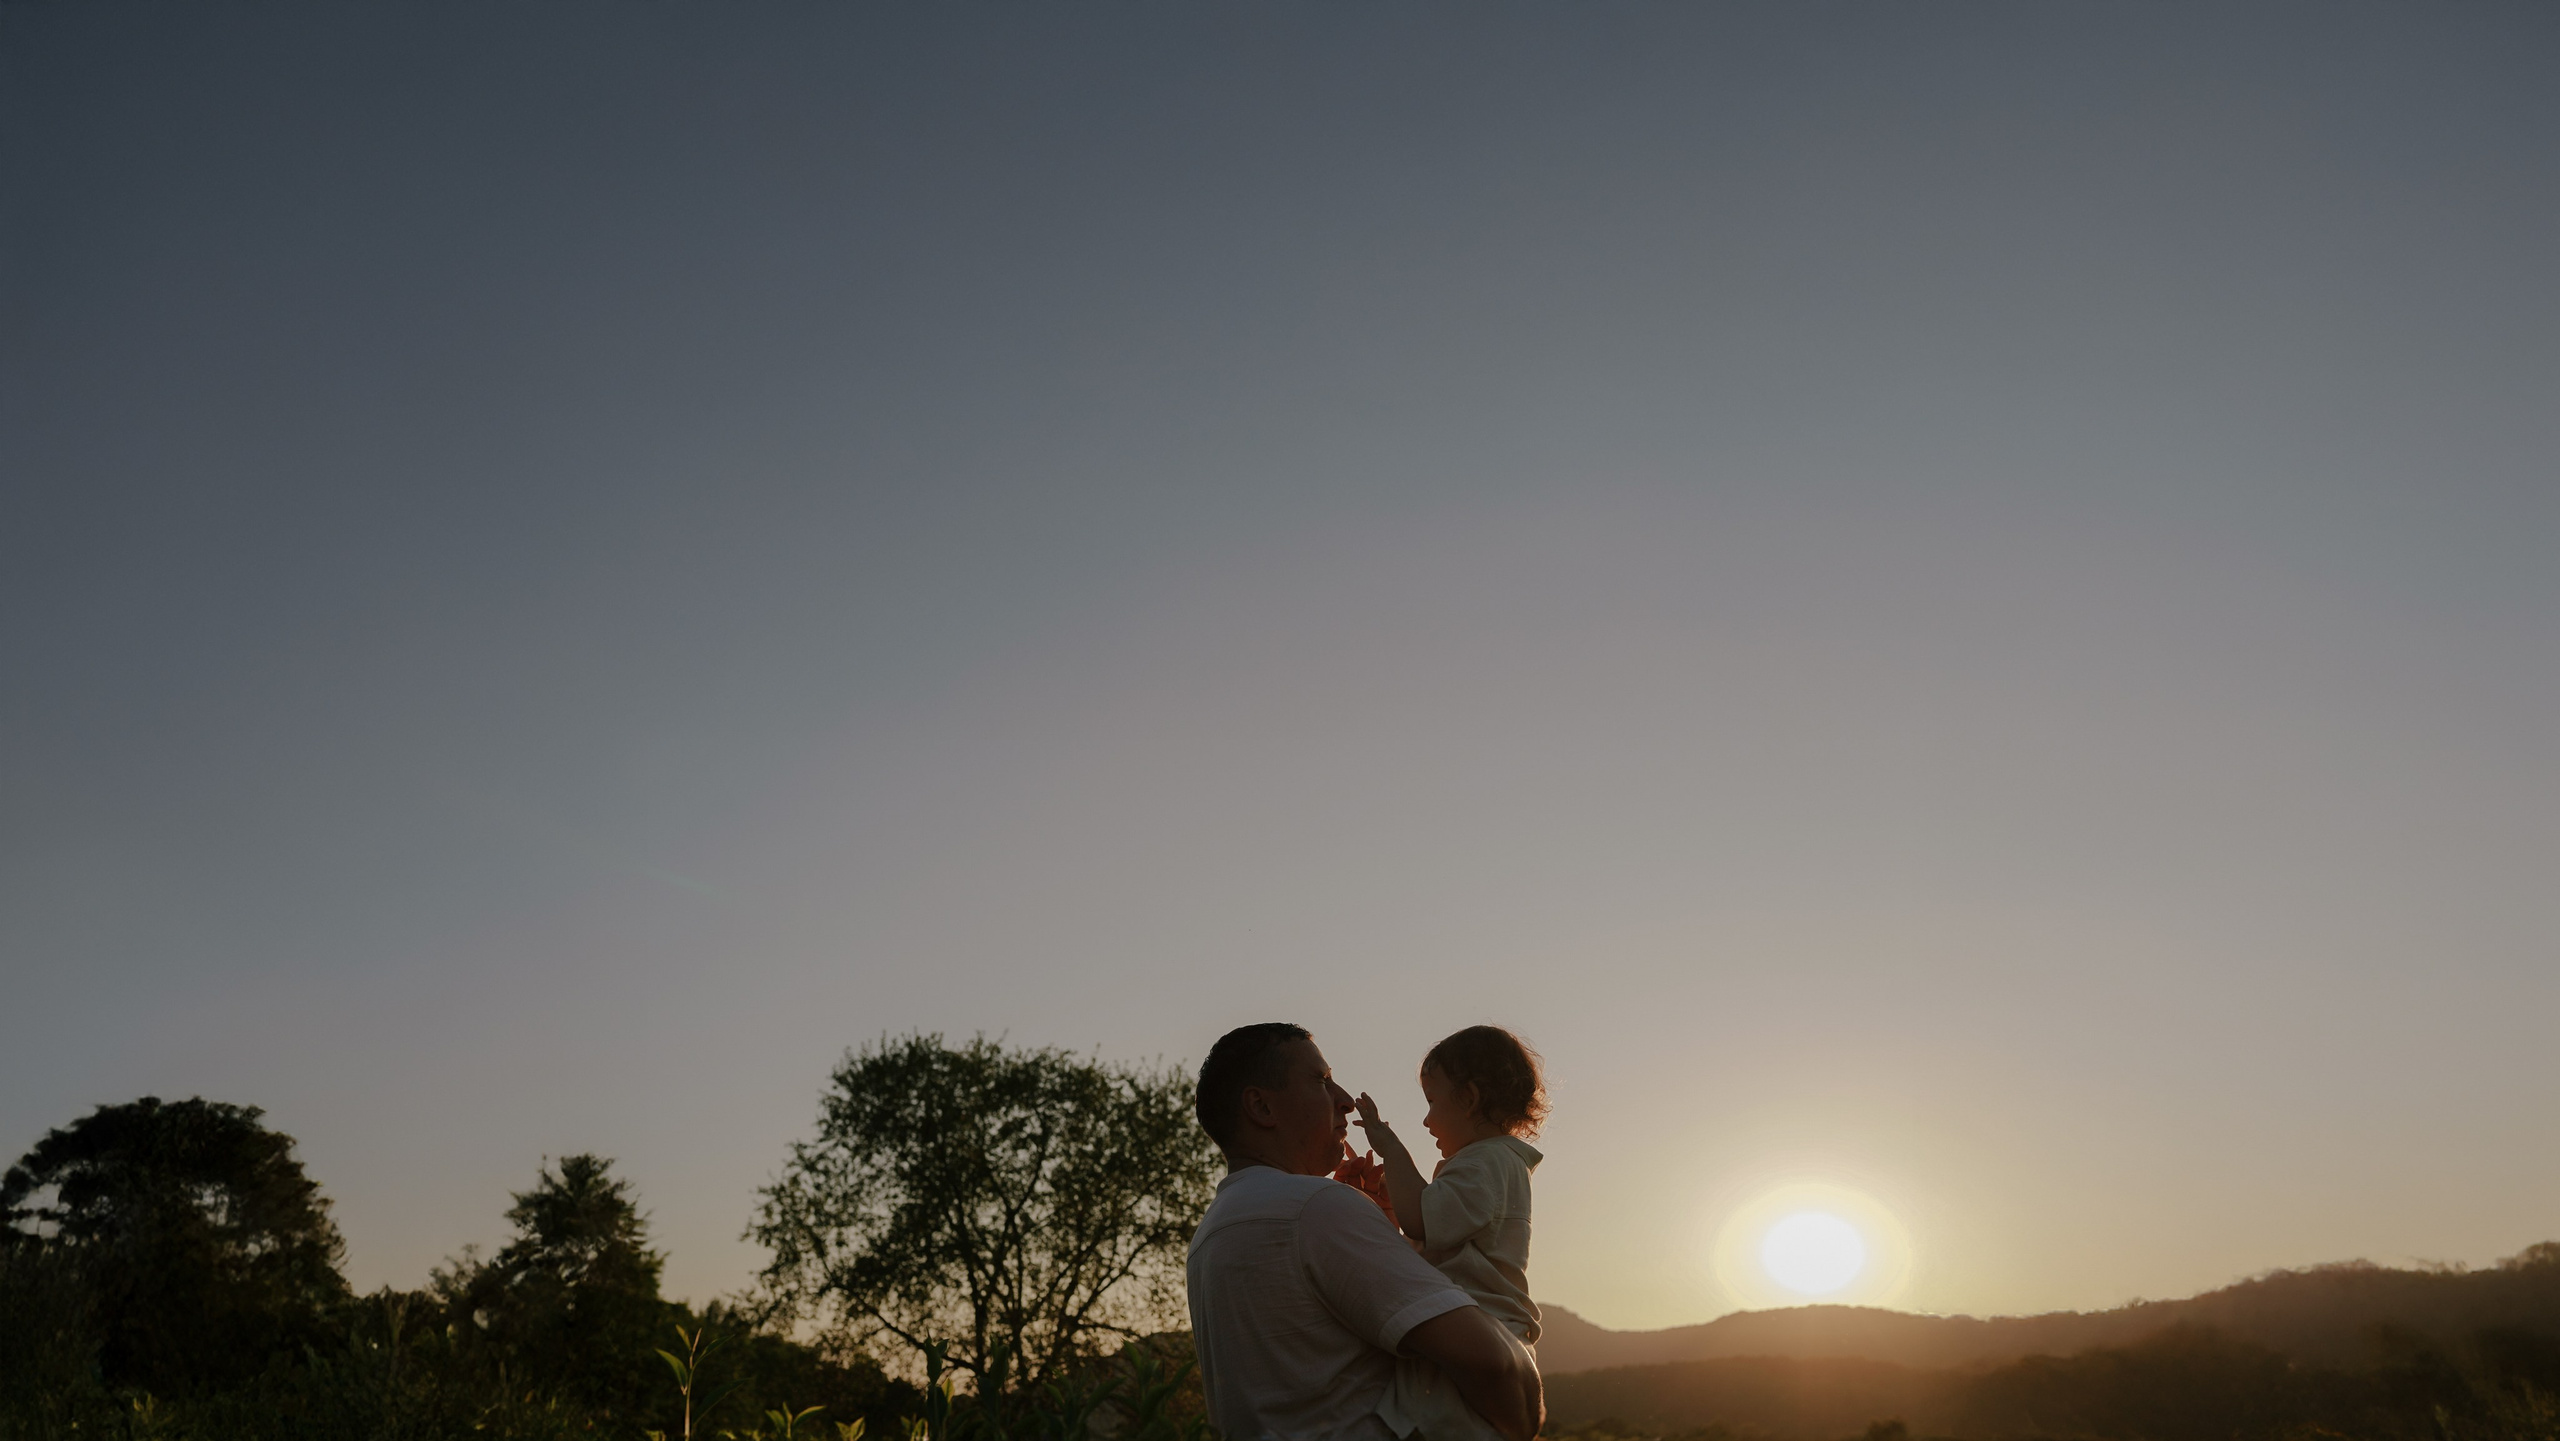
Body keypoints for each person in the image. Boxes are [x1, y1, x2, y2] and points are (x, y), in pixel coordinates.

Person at [1187, 1023, 1544, 1441]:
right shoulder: (1315, 1207)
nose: (1344, 1101)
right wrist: (1525, 1419)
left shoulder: (1212, 1234)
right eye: (1322, 1082)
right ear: (1262, 1108)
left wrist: (1380, 1226)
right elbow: (1495, 1366)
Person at [1352, 1026, 1548, 1441]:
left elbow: (1421, 1221)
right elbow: (1428, 1244)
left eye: (1431, 1101)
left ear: (1469, 1099)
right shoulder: (1494, 1165)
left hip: (1478, 1333)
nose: (1425, 1119)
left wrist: (1390, 1148)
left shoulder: (1483, 1165)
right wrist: (1390, 1206)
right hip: (1486, 1332)